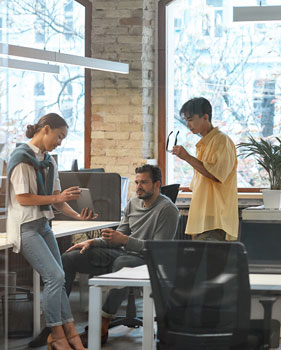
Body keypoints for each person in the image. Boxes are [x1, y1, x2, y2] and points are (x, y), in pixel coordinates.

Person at [60, 164, 179, 346]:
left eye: (144, 183)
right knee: (69, 258)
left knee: (123, 263)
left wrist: (124, 240)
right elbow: (117, 237)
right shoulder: (133, 203)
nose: (138, 187)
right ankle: (60, 323)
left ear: (157, 185)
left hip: (148, 259)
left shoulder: (168, 210)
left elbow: (159, 248)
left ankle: (102, 324)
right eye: (137, 182)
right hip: (122, 252)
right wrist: (93, 242)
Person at [7, 113, 96, 350]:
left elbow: (57, 201)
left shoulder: (48, 160)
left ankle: (70, 333)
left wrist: (78, 215)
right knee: (54, 277)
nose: (60, 142)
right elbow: (24, 198)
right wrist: (58, 196)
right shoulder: (21, 157)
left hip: (44, 225)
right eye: (59, 136)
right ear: (46, 129)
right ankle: (56, 335)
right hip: (25, 227)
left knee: (61, 276)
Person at [171, 97, 238, 241]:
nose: (188, 124)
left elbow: (216, 174)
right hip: (204, 218)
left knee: (208, 262)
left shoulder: (221, 140)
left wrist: (187, 158)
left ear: (205, 117)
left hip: (216, 218)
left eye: (190, 119)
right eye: (186, 120)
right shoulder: (204, 143)